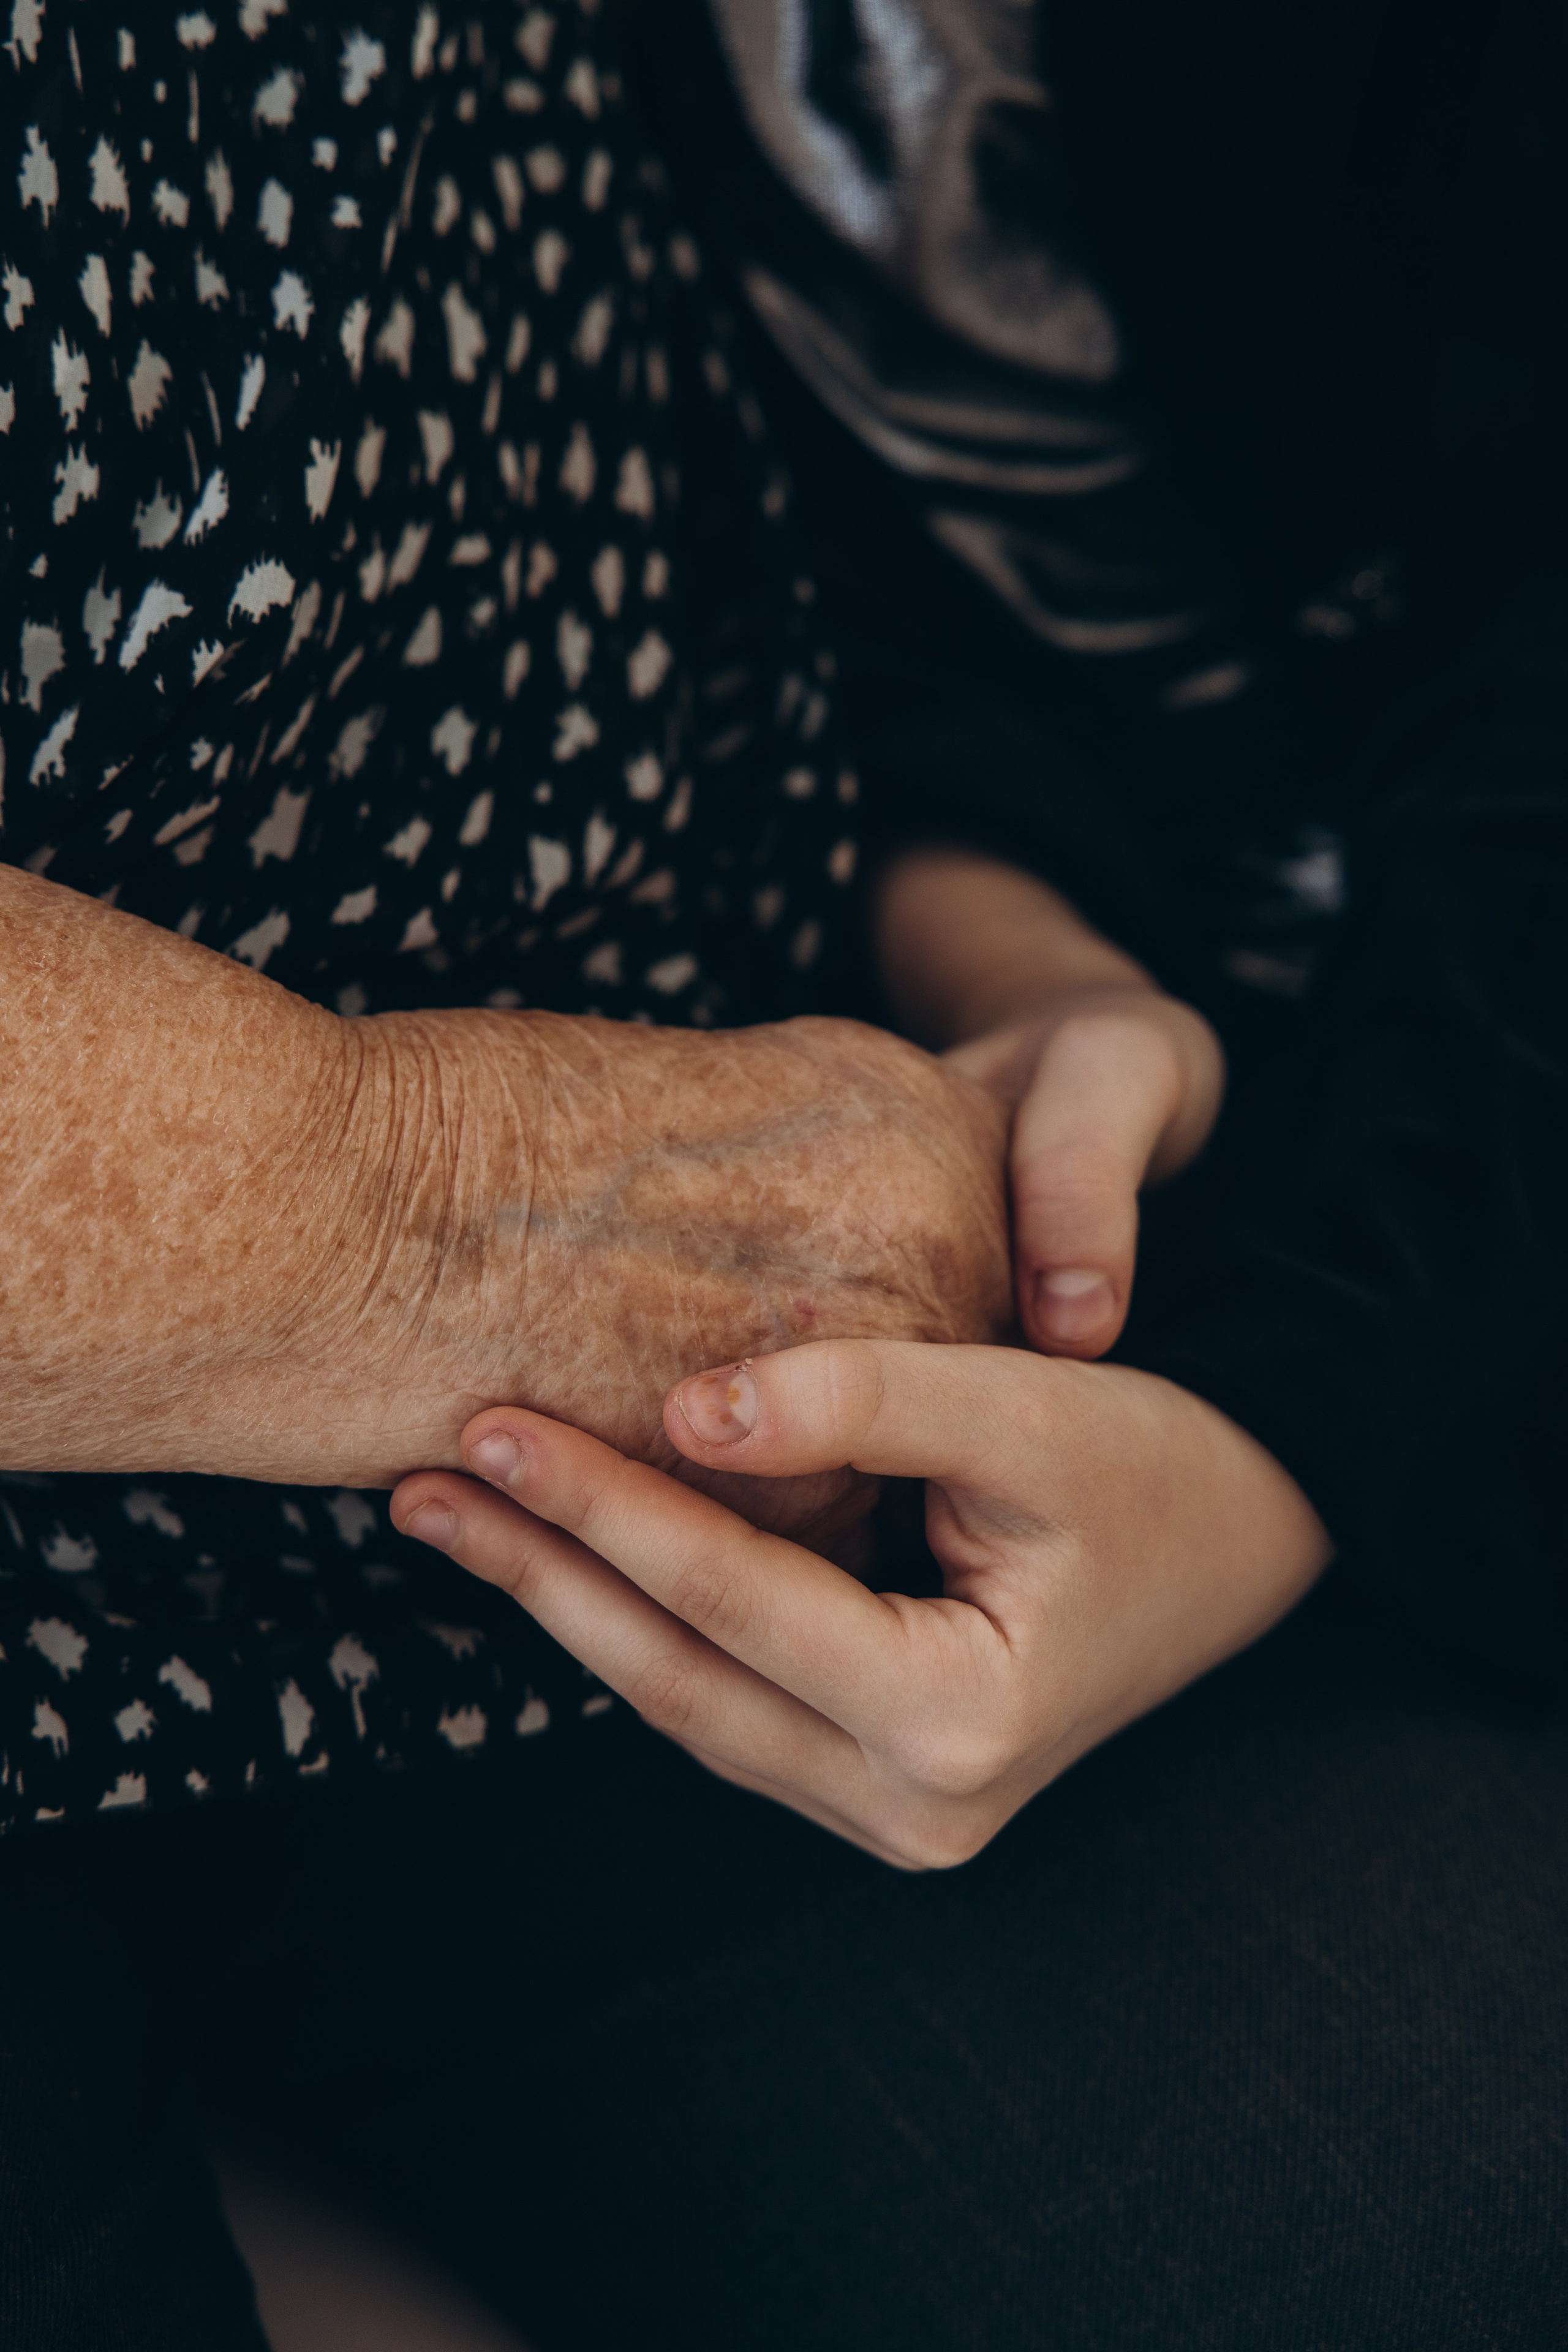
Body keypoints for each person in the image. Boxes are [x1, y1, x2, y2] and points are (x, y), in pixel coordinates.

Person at [3, 8, 1565, 2352]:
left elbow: (815, 452)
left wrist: (1021, 972)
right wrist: (420, 1212)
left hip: (836, 1175)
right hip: (544, 1320)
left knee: (1441, 2210)